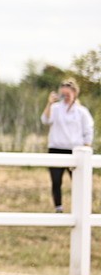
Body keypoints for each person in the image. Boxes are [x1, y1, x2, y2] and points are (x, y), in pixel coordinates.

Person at [40, 78, 94, 212]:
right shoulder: (56, 108)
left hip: (76, 150)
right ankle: (58, 207)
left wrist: (86, 148)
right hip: (56, 148)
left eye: (68, 94)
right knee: (56, 181)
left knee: (78, 181)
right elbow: (45, 120)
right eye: (63, 94)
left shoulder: (81, 111)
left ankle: (81, 208)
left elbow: (88, 130)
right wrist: (49, 103)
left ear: (75, 93)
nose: (66, 97)